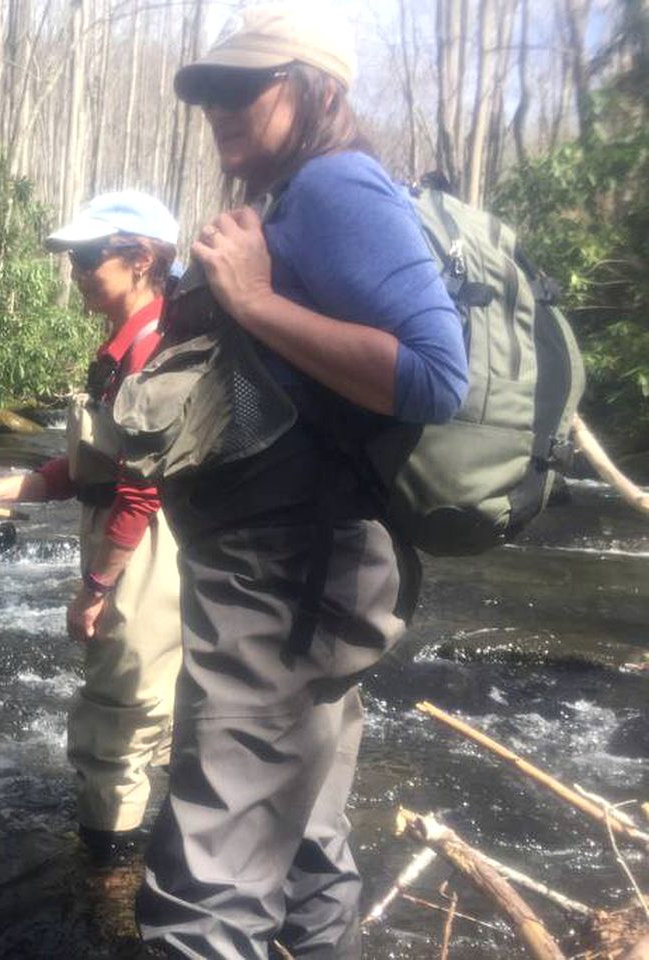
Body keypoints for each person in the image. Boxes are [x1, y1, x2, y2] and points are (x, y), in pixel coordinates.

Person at [133, 5, 470, 958]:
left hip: (289, 578)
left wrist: (250, 300)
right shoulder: (298, 199)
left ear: (317, 90)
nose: (218, 107)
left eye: (246, 87)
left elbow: (436, 375)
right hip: (301, 573)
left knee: (208, 882)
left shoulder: (335, 188)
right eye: (208, 91)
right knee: (304, 836)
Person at [0, 191, 183, 863]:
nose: (75, 271)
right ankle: (154, 861)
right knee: (157, 715)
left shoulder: (156, 348)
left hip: (146, 548)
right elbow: (88, 468)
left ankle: (107, 878)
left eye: (89, 257)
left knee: (118, 717)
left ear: (140, 258)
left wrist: (95, 587)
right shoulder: (123, 348)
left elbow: (141, 488)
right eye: (73, 259)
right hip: (134, 540)